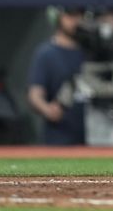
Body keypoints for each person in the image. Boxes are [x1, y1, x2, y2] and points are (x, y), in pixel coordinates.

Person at [28, 7, 87, 145]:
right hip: (59, 137)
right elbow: (34, 94)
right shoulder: (46, 54)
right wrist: (47, 109)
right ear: (58, 18)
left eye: (79, 15)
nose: (76, 20)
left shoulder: (90, 51)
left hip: (93, 137)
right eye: (71, 15)